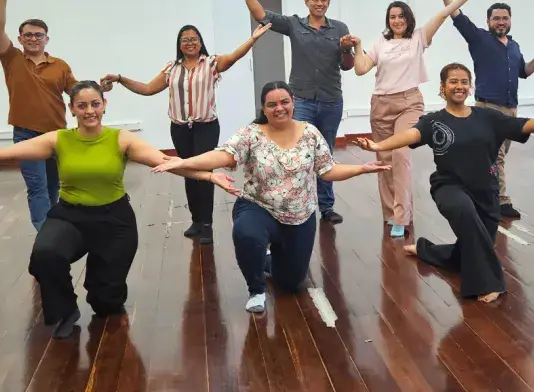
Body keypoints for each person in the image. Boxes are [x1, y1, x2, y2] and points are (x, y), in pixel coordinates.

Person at [0, 81, 212, 338]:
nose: (90, 111)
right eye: (82, 105)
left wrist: (209, 176)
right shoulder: (59, 139)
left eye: (95, 104)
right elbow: (0, 154)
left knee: (106, 304)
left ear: (104, 105)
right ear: (72, 108)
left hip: (114, 221)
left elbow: (167, 162)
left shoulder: (121, 139)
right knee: (45, 255)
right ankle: (65, 311)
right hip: (71, 216)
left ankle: (105, 296)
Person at [356, 63, 534, 303]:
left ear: (470, 87)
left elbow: (522, 124)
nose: (459, 86)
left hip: (486, 193)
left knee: (471, 245)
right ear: (443, 88)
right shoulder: (434, 121)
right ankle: (490, 282)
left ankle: (427, 250)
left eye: (464, 82)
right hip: (449, 187)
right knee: (465, 216)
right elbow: (411, 135)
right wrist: (378, 146)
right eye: (453, 81)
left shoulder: (487, 116)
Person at [152, 81, 390, 313]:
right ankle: (256, 289)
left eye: (284, 102)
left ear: (293, 103)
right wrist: (184, 161)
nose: (279, 108)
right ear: (263, 109)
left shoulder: (310, 133)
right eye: (272, 104)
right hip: (258, 207)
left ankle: (267, 259)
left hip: (300, 216)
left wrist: (361, 168)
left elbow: (327, 171)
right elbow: (221, 156)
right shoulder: (251, 134)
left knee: (290, 284)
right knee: (247, 233)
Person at [99, 22, 270, 244]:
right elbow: (148, 89)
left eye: (194, 39)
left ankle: (207, 223)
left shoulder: (211, 64)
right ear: (179, 45)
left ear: (200, 43)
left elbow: (235, 56)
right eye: (185, 40)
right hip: (180, 128)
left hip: (205, 127)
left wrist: (253, 39)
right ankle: (196, 221)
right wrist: (121, 79)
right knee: (186, 169)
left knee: (204, 170)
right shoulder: (172, 68)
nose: (190, 43)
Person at [352, 0, 491, 238]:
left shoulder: (419, 37)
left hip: (409, 103)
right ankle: (390, 213)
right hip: (381, 104)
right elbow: (360, 68)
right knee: (383, 160)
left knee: (401, 154)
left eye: (401, 16)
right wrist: (357, 45)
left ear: (408, 18)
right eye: (392, 17)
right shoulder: (379, 44)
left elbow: (443, 13)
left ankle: (401, 217)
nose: (397, 21)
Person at [236, 0, 355, 225]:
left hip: (331, 100)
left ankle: (326, 207)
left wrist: (347, 48)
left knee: (325, 155)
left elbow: (347, 66)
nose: (319, 3)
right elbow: (260, 15)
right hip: (301, 100)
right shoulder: (294, 24)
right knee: (293, 151)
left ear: (328, 2)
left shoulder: (340, 29)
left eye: (324, 0)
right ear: (306, 1)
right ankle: (291, 203)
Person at [438, 0, 534, 219]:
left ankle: (476, 191)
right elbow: (457, 17)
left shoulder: (514, 46)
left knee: (494, 157)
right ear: (488, 21)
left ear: (510, 21)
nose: (501, 22)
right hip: (488, 108)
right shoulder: (479, 39)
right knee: (495, 157)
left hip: (511, 109)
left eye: (505, 18)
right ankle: (500, 201)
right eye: (496, 18)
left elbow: (524, 72)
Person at [0, 0, 94, 231]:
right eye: (28, 35)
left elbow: (76, 92)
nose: (33, 39)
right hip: (25, 134)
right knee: (36, 187)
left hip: (56, 134)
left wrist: (98, 91)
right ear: (20, 38)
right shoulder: (12, 58)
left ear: (47, 39)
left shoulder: (60, 65)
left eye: (38, 35)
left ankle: (53, 228)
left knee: (53, 185)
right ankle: (45, 232)